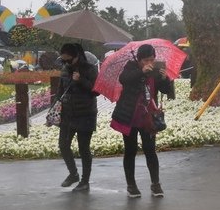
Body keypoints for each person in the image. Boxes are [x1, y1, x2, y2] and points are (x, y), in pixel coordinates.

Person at [110, 44, 175, 198]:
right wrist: (141, 72)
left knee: (150, 150)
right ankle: (131, 185)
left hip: (148, 118)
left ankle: (156, 184)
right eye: (146, 60)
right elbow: (124, 79)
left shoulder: (156, 71)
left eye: (152, 59)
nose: (149, 63)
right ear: (139, 60)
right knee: (130, 150)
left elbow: (167, 91)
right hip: (130, 116)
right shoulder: (131, 67)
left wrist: (165, 79)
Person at [56, 42, 99, 192]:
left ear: (77, 56)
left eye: (69, 60)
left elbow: (96, 91)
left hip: (85, 113)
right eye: (63, 60)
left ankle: (85, 181)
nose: (66, 63)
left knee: (83, 148)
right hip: (67, 113)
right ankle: (73, 173)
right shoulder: (65, 70)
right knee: (63, 145)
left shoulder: (90, 69)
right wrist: (54, 110)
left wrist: (81, 80)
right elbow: (60, 91)